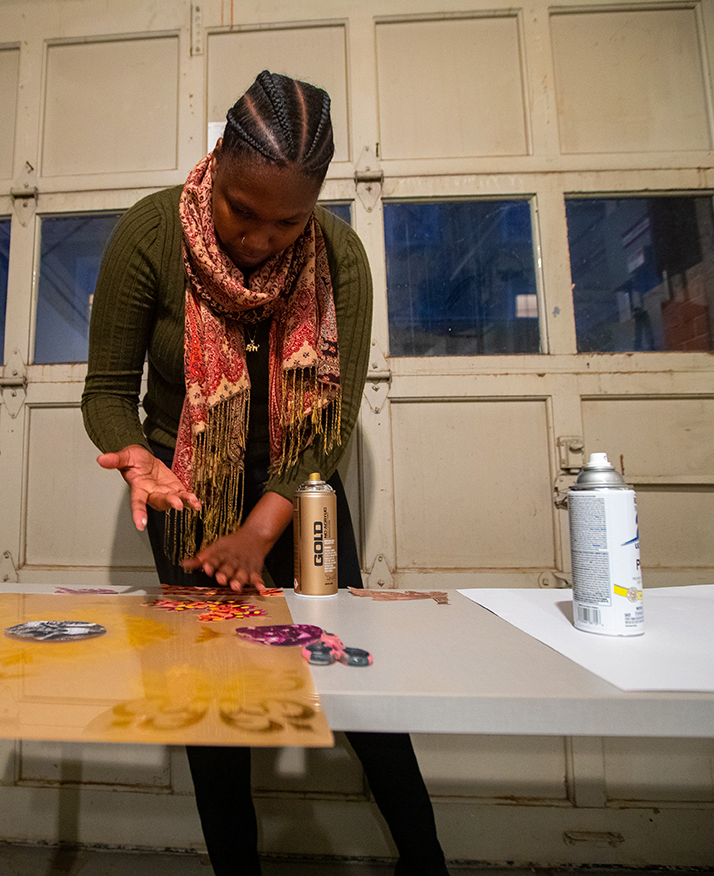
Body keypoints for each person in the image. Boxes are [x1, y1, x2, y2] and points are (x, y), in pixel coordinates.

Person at [81, 70, 450, 876]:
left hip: (302, 499)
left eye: (285, 224)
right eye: (240, 211)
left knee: (360, 694)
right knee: (211, 706)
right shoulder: (150, 234)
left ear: (313, 205)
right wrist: (137, 460)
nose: (256, 239)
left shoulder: (338, 257)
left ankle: (427, 865)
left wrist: (258, 532)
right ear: (215, 164)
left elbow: (329, 429)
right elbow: (109, 393)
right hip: (183, 490)